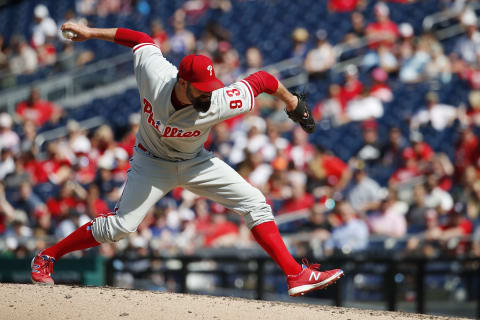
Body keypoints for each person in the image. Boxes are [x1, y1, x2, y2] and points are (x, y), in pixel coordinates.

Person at [31, 21, 343, 296]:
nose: (209, 95)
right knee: (121, 228)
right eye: (201, 90)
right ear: (182, 83)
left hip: (196, 162)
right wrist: (91, 32)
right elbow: (140, 38)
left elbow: (261, 80)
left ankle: (294, 273)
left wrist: (290, 101)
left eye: (210, 88)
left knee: (255, 202)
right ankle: (48, 256)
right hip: (150, 162)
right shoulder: (156, 75)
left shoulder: (217, 100)